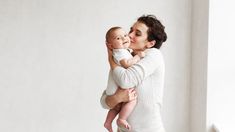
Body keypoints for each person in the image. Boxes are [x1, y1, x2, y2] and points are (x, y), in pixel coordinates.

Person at [100, 14, 167, 132]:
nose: (129, 35)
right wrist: (117, 97)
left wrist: (110, 59)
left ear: (150, 43)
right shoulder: (126, 58)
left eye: (137, 33)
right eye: (131, 30)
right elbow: (104, 102)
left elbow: (126, 81)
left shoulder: (153, 55)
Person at [104, 26, 145, 132]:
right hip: (117, 88)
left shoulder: (122, 51)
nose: (124, 38)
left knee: (116, 107)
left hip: (113, 88)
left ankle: (108, 122)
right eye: (118, 38)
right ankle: (121, 118)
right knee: (133, 99)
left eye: (125, 35)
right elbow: (126, 64)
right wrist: (138, 57)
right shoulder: (120, 52)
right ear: (110, 45)